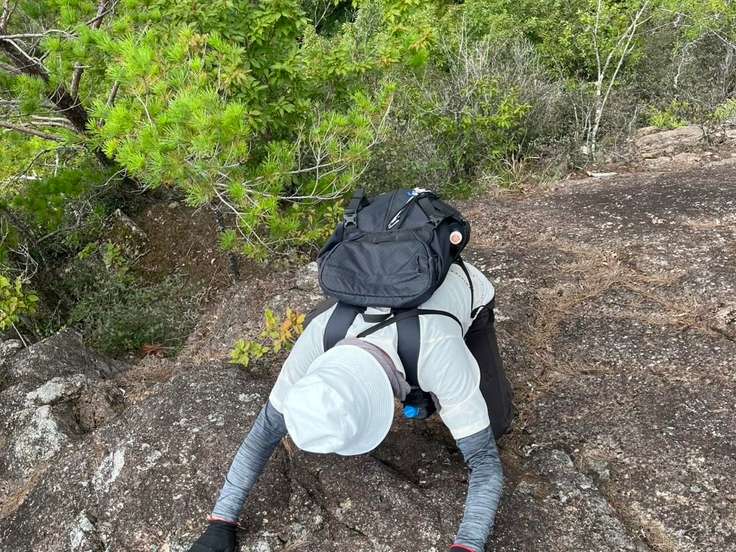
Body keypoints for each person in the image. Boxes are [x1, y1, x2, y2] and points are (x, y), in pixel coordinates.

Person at [189, 260, 512, 552]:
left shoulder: (439, 351)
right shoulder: (317, 336)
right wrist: (221, 521)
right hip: (365, 303)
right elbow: (265, 432)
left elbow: (484, 463)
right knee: (322, 318)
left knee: (495, 424)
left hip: (461, 287)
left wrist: (467, 545)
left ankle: (435, 383)